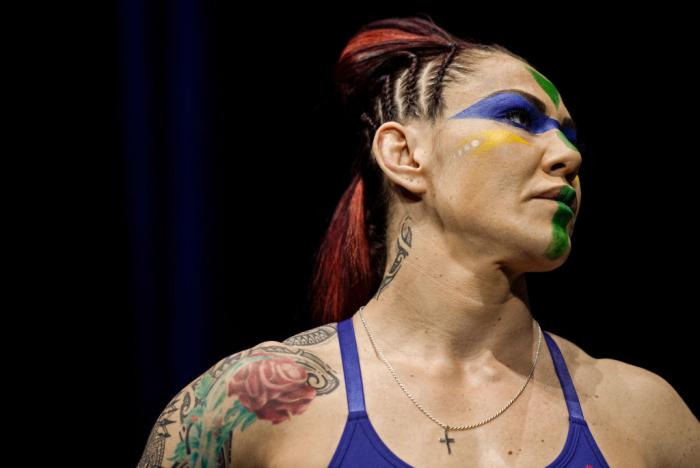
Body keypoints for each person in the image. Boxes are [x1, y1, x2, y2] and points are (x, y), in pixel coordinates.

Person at [137, 16, 700, 467]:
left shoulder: (646, 416)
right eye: (517, 117)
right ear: (405, 155)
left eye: (567, 133)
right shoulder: (250, 403)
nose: (568, 155)